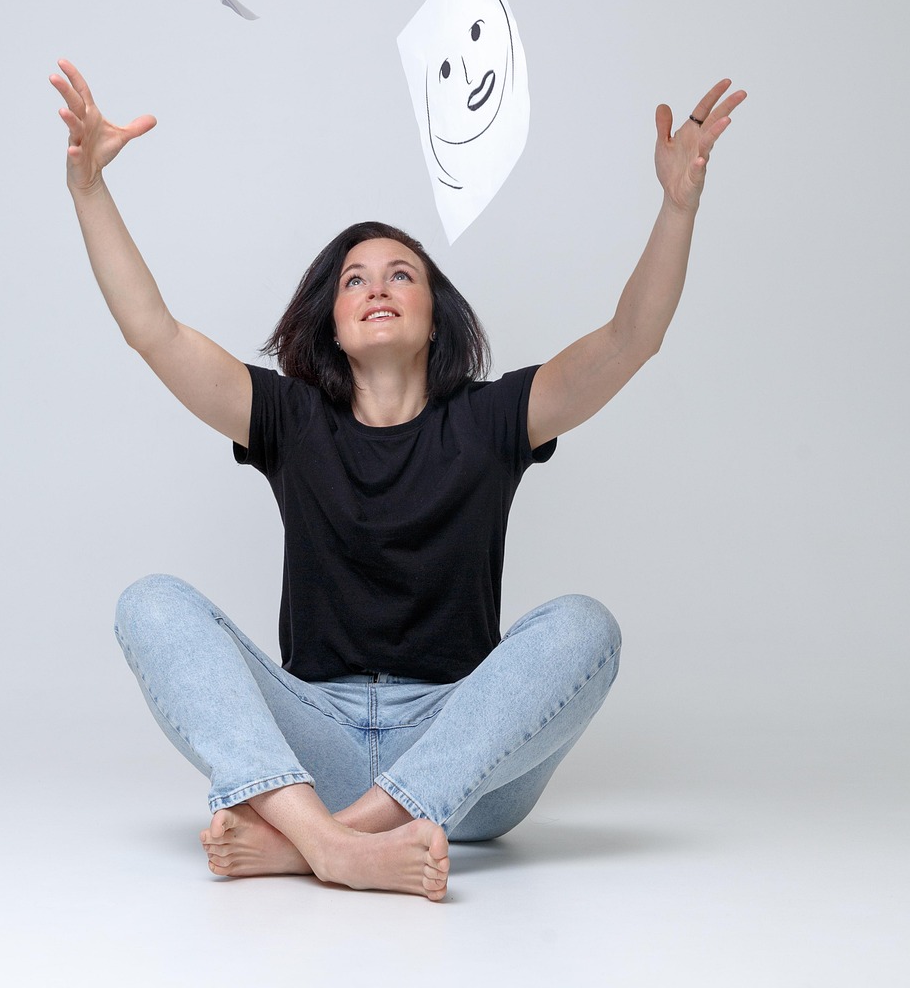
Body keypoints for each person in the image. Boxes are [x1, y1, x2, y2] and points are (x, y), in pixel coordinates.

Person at [50, 59, 745, 902]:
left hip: (464, 760)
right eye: (355, 280)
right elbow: (152, 332)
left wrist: (677, 207)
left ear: (435, 316)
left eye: (401, 274)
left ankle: (314, 842)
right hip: (316, 742)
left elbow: (631, 339)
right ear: (333, 325)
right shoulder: (289, 419)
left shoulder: (494, 419)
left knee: (586, 628)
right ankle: (340, 845)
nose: (377, 287)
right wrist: (90, 189)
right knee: (150, 604)